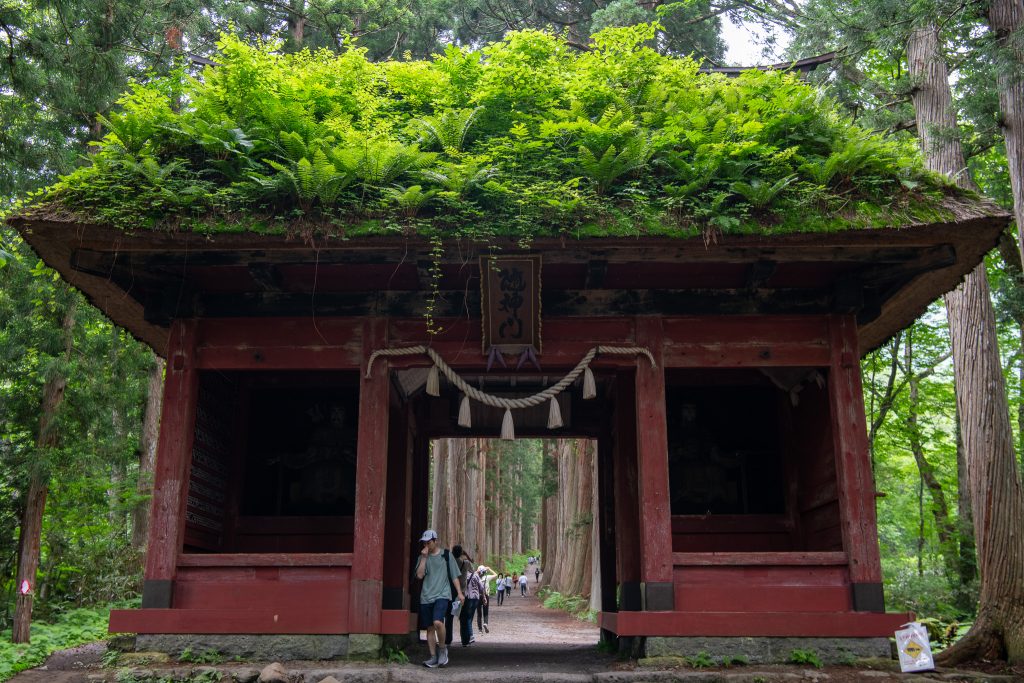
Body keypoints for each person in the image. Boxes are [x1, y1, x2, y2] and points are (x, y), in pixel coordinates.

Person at [415, 529, 464, 668]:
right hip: (426, 596)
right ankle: (432, 657)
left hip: (442, 594)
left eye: (429, 542)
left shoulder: (446, 555)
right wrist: (424, 558)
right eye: (424, 543)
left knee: (438, 622)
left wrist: (460, 593)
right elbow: (419, 576)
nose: (426, 545)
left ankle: (442, 650)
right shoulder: (422, 557)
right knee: (430, 628)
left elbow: (454, 576)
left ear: (435, 541)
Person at [452, 545, 477, 646]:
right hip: (462, 593)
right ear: (462, 553)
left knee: (448, 617)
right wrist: (467, 556)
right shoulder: (466, 563)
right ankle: (465, 641)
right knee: (464, 617)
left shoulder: (451, 562)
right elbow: (473, 570)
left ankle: (447, 639)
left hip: (451, 592)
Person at [476, 565, 497, 632]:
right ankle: (485, 623)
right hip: (486, 595)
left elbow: (472, 574)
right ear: (485, 572)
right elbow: (495, 575)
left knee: (479, 613)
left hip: (478, 596)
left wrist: (478, 570)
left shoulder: (476, 577)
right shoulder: (487, 577)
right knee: (486, 611)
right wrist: (489, 568)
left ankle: (480, 629)